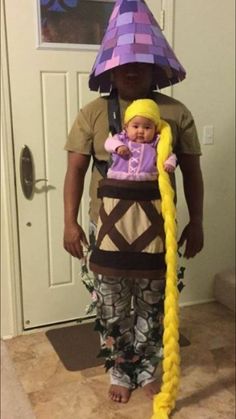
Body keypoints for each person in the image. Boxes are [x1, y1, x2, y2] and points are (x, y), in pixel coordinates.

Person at [63, 0, 204, 410]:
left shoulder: (176, 113)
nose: (131, 69)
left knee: (154, 302)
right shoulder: (92, 114)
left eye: (140, 61)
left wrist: (197, 223)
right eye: (122, 61)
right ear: (108, 67)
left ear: (156, 67)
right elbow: (74, 171)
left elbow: (192, 173)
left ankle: (147, 369)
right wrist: (69, 224)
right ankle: (120, 370)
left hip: (159, 230)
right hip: (103, 230)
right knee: (111, 303)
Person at [105, 98, 177, 180]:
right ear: (126, 127)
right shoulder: (122, 138)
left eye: (147, 127)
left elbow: (169, 154)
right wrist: (118, 147)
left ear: (155, 129)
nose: (140, 131)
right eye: (135, 126)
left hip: (146, 182)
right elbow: (108, 143)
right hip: (119, 179)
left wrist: (170, 163)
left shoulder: (156, 142)